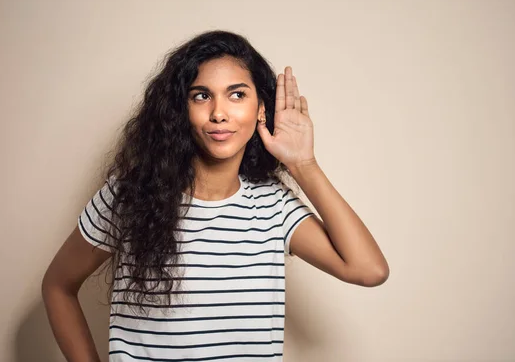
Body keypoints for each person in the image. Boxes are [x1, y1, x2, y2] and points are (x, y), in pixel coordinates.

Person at [41, 30, 389, 361]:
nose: (219, 113)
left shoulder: (273, 206)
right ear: (181, 110)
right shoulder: (129, 195)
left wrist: (303, 163)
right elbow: (58, 286)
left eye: (237, 95)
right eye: (201, 95)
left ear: (261, 110)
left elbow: (368, 270)